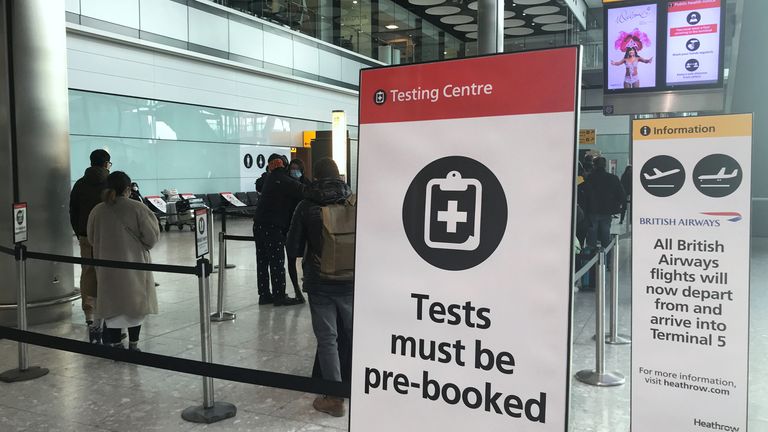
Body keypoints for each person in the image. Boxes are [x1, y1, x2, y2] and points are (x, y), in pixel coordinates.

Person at [286, 158, 354, 417]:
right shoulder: (352, 203)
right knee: (353, 335)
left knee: (328, 340)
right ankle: (358, 384)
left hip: (320, 282)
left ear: (315, 177)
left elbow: (292, 248)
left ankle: (334, 399)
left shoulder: (306, 206)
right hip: (350, 281)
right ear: (339, 176)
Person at [87, 171, 160, 350]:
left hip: (106, 266)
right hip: (133, 265)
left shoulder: (97, 210)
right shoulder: (138, 208)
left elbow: (90, 237)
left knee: (112, 306)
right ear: (128, 188)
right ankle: (133, 346)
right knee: (134, 306)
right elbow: (151, 237)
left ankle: (116, 344)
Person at [69, 149, 111, 343]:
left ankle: (89, 314)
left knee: (88, 273)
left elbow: (73, 210)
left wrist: (79, 232)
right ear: (105, 164)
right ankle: (110, 313)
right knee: (109, 273)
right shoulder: (111, 183)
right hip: (108, 237)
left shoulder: (79, 184)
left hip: (86, 235)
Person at [253, 154, 305, 306]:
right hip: (273, 226)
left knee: (262, 261)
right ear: (285, 165)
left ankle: (264, 295)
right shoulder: (282, 179)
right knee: (277, 261)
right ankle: (279, 296)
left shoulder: (269, 178)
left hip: (259, 224)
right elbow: (303, 190)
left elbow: (260, 183)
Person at [582, 157, 626, 252]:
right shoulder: (613, 178)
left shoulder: (589, 178)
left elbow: (585, 194)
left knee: (591, 238)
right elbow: (621, 194)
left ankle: (590, 260)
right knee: (606, 235)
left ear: (595, 165)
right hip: (607, 211)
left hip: (592, 211)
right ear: (605, 165)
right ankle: (606, 260)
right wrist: (616, 205)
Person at [287, 158, 311, 303]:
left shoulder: (307, 184)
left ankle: (306, 285)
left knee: (307, 258)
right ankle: (296, 290)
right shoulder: (287, 185)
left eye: (296, 169)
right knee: (291, 258)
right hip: (289, 225)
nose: (294, 171)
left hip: (306, 227)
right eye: (292, 168)